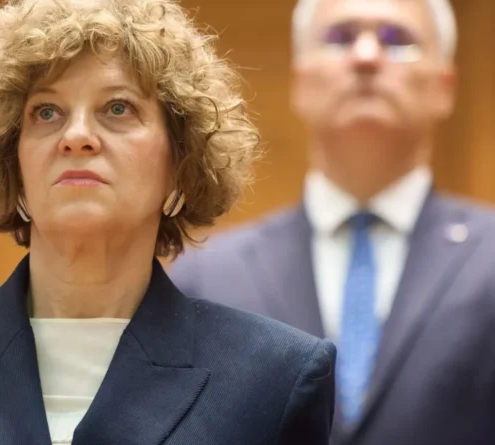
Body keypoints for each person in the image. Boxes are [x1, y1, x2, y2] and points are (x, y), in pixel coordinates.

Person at [0, 0, 337, 443]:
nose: (76, 136)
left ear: (181, 160)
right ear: (13, 163)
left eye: (117, 107)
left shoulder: (274, 377)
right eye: (46, 112)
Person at [169, 0, 495, 444]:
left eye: (397, 40)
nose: (366, 56)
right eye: (340, 38)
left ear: (444, 87)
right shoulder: (206, 277)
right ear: (301, 82)